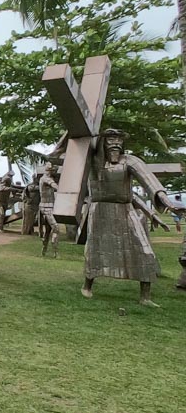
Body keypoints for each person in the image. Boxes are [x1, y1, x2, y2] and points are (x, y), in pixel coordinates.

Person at [81, 129, 183, 307]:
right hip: (100, 211)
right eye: (111, 139)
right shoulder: (92, 161)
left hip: (125, 210)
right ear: (102, 142)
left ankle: (145, 296)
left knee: (143, 250)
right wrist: (74, 132)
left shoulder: (130, 161)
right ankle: (87, 285)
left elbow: (150, 182)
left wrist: (168, 203)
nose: (116, 143)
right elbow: (56, 157)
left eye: (119, 139)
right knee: (95, 250)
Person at [39, 163, 60, 257]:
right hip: (47, 208)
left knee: (48, 230)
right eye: (54, 171)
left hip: (48, 207)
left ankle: (43, 251)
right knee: (56, 228)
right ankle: (56, 253)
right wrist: (62, 189)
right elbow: (53, 185)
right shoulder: (46, 179)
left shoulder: (44, 178)